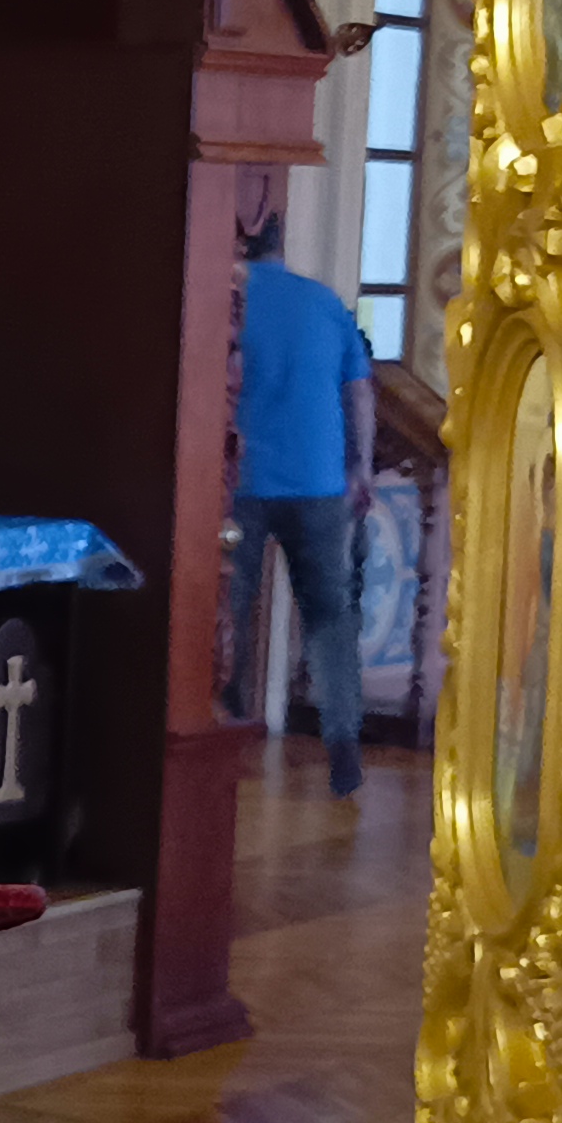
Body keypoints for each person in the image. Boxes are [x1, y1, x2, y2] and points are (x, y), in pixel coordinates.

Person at [222, 216, 377, 795]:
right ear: (282, 242)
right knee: (330, 617)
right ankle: (344, 745)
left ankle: (225, 731)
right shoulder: (325, 303)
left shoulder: (228, 299)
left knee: (228, 612)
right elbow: (359, 391)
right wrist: (361, 467)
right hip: (318, 481)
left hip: (241, 482)